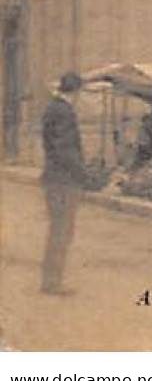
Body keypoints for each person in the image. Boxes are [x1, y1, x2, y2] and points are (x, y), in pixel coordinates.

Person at [41, 72, 92, 295]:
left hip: (54, 178)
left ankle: (50, 280)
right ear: (76, 91)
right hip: (63, 181)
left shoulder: (52, 107)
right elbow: (65, 149)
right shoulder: (64, 112)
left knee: (58, 230)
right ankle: (52, 282)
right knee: (62, 231)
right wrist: (84, 175)